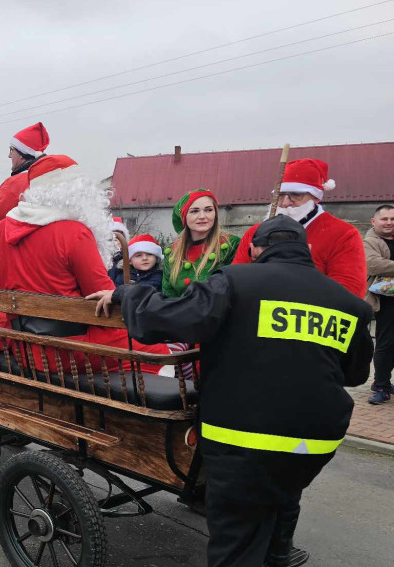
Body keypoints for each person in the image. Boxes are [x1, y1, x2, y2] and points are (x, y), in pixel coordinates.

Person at [87, 215, 373, 567]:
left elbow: (172, 320)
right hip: (317, 438)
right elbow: (354, 373)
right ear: (304, 251)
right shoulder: (346, 302)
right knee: (285, 480)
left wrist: (129, 295)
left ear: (257, 250)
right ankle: (279, 546)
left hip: (243, 436)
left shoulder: (235, 281)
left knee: (233, 552)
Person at [0, 159, 169, 370]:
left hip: (24, 347)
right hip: (70, 349)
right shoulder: (74, 232)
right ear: (74, 192)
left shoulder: (3, 227)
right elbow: (102, 295)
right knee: (158, 349)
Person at [233, 158, 367, 296]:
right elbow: (236, 281)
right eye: (280, 195)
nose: (285, 203)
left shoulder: (343, 234)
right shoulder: (255, 232)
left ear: (315, 197)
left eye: (295, 195)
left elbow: (350, 292)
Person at [0, 122, 77, 229]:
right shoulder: (53, 177)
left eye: (12, 149)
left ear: (22, 154)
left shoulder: (15, 182)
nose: (9, 155)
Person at [161, 189, 239, 297]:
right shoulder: (172, 252)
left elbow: (235, 289)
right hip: (179, 312)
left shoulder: (231, 245)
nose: (202, 216)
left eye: (208, 210)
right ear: (184, 217)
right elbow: (167, 294)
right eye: (194, 211)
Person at [364, 204, 394, 404]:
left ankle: (384, 382)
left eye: (392, 219)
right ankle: (381, 385)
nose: (389, 223)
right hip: (385, 300)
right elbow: (373, 264)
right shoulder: (369, 241)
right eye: (384, 219)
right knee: (385, 343)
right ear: (374, 222)